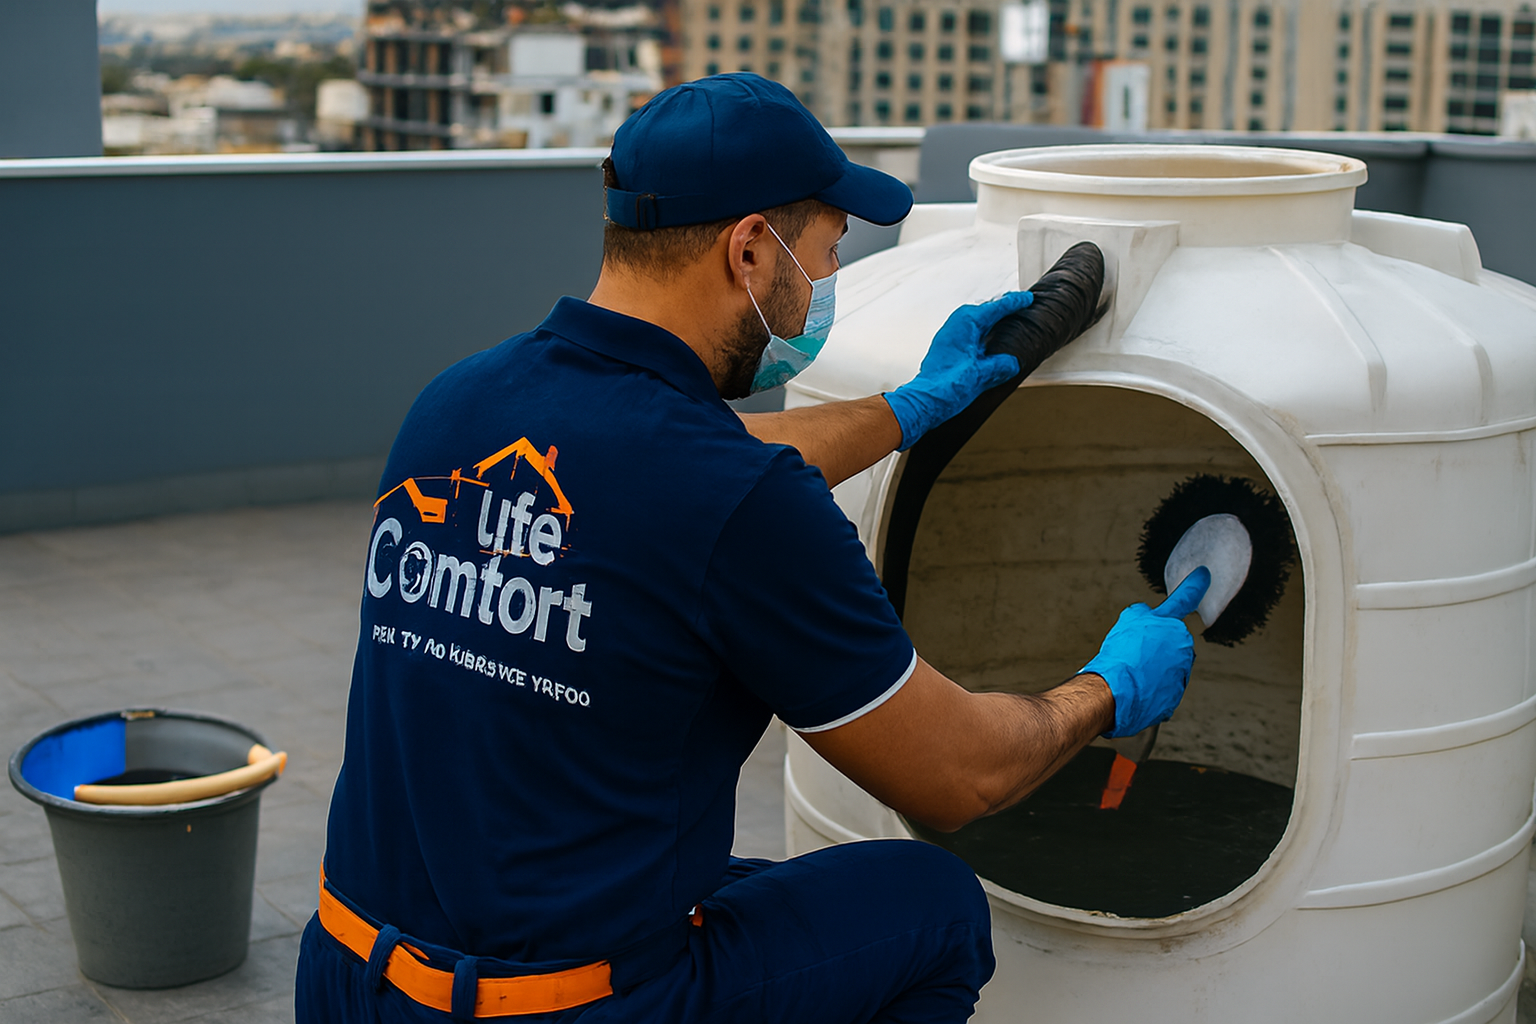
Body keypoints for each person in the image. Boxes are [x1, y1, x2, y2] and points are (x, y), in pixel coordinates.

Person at [295, 73, 1202, 1024]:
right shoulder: (736, 501)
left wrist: (913, 405)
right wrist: (1107, 688)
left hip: (349, 970)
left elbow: (684, 470)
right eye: (825, 254)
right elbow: (958, 777)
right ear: (751, 249)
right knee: (930, 908)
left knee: (720, 872)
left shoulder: (457, 403)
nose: (822, 289)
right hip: (555, 1010)